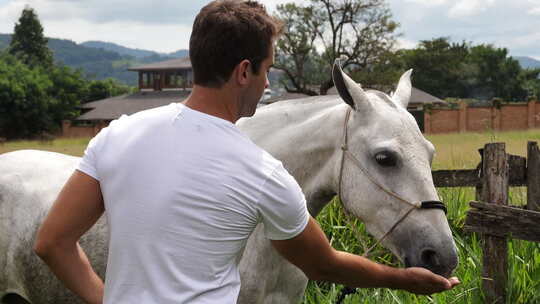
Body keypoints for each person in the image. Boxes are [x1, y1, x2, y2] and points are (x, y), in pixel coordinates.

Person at [34, 1, 460, 303]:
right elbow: (324, 265)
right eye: (267, 68)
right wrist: (404, 281)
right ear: (244, 72)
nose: (268, 82)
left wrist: (105, 299)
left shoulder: (118, 134)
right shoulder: (261, 172)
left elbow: (52, 242)